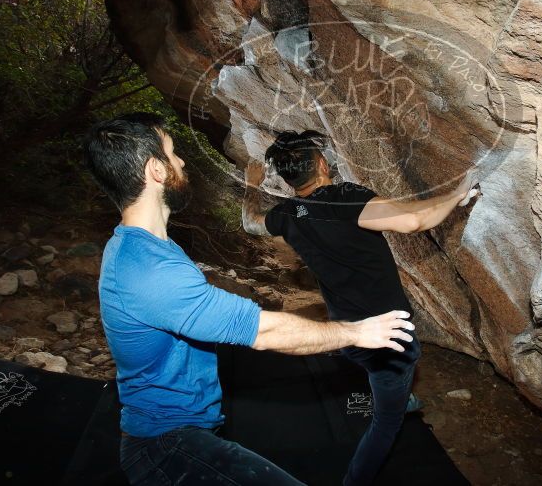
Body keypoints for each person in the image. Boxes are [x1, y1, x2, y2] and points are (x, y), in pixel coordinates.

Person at [83, 113, 416, 486]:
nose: (181, 162)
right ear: (156, 171)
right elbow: (263, 331)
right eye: (173, 155)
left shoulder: (144, 248)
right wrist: (356, 332)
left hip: (187, 432)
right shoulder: (148, 271)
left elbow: (252, 224)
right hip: (165, 445)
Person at [242, 131, 480, 486]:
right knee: (387, 421)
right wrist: (457, 194)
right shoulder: (345, 198)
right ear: (322, 165)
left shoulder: (287, 214)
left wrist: (251, 185)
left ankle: (399, 395)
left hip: (347, 332)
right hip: (387, 335)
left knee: (378, 372)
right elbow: (413, 221)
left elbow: (248, 221)